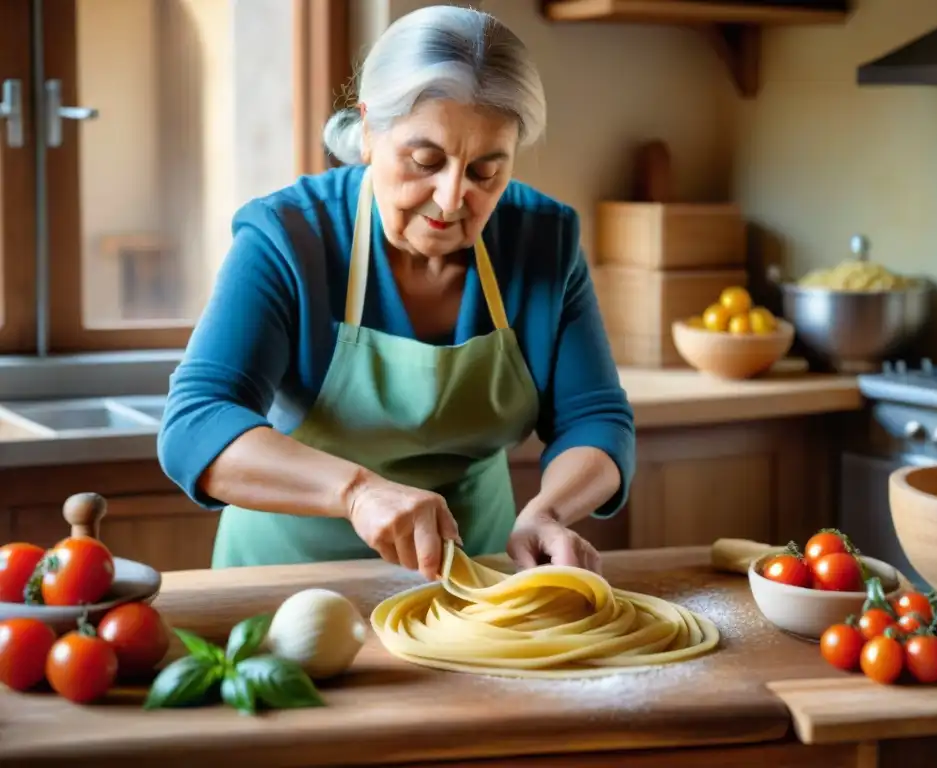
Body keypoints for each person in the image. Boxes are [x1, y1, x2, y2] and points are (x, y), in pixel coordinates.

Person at [157, 5, 635, 581]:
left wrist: (549, 510)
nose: (452, 196)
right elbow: (195, 423)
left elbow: (596, 418)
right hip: (288, 587)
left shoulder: (544, 241)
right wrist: (357, 492)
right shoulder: (289, 237)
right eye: (425, 160)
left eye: (486, 171)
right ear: (368, 129)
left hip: (472, 577)